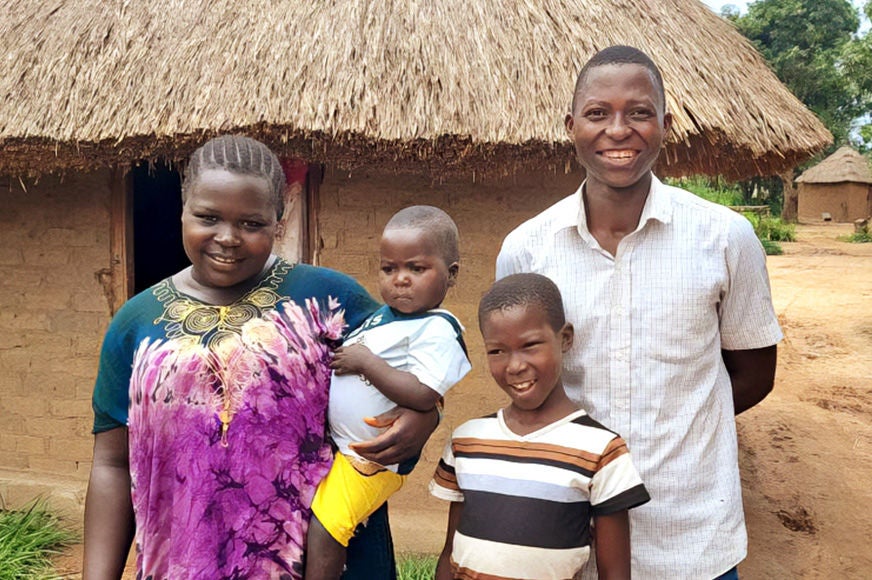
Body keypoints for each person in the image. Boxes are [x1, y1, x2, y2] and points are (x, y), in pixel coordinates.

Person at [82, 135, 438, 579]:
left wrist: (426, 416)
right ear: (182, 208)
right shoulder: (136, 324)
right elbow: (112, 465)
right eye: (207, 217)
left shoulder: (331, 299)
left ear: (280, 221)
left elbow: (420, 370)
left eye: (251, 224)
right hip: (186, 561)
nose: (227, 238)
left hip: (326, 560)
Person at [496, 46, 782, 579]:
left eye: (640, 112)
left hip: (692, 540)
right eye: (598, 113)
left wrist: (675, 430)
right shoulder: (527, 250)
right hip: (566, 537)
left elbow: (754, 374)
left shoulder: (725, 239)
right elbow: (519, 375)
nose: (618, 129)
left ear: (667, 125)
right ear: (571, 125)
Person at [430, 273, 649, 579]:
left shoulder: (601, 450)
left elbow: (614, 573)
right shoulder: (466, 441)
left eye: (530, 345)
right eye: (497, 351)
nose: (515, 365)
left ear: (565, 338)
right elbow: (450, 553)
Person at [306, 205, 471, 579]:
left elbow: (424, 394)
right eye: (389, 268)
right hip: (344, 452)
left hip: (371, 458)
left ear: (452, 274)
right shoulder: (381, 318)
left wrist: (366, 363)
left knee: (328, 526)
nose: (400, 279)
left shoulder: (438, 328)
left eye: (416, 268)